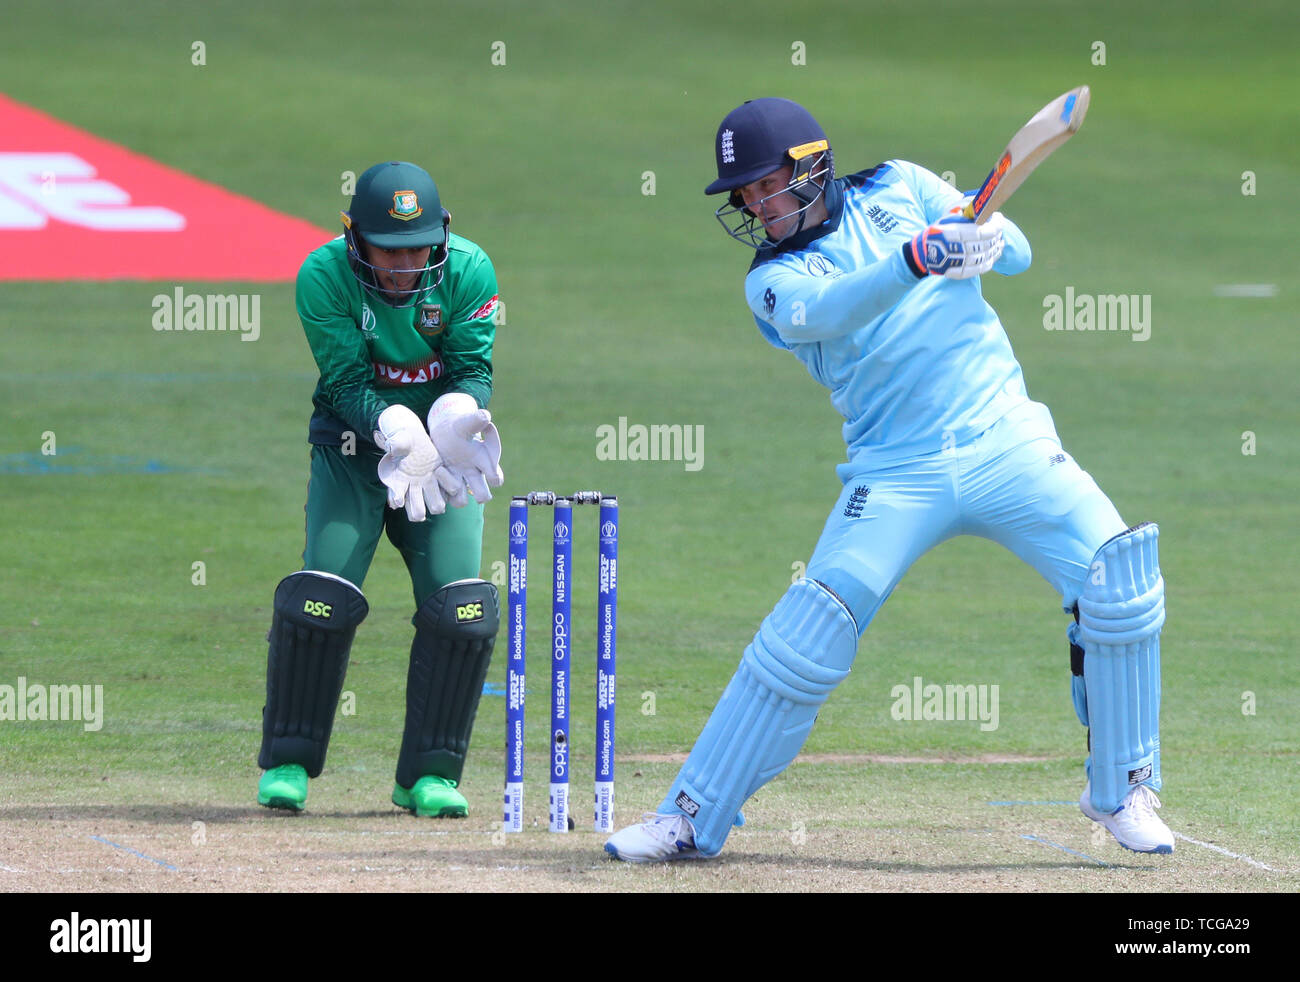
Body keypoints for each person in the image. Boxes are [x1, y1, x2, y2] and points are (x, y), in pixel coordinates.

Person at [605, 98, 1171, 861]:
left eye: (764, 185)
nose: (754, 206)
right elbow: (838, 306)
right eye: (742, 196)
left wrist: (985, 240)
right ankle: (690, 816)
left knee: (1120, 574)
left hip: (1007, 435)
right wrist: (916, 259)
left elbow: (1019, 255)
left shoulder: (901, 185)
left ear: (813, 167)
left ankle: (1123, 790)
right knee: (807, 634)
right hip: (896, 471)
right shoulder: (772, 281)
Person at [256, 160, 505, 818]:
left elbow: (474, 367)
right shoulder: (323, 275)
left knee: (460, 608)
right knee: (322, 596)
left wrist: (455, 421)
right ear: (354, 237)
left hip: (442, 461)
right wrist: (394, 427)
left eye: (419, 247)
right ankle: (288, 762)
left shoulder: (471, 270)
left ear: (441, 234)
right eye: (389, 251)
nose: (404, 264)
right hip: (350, 451)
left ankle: (427, 776)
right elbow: (341, 381)